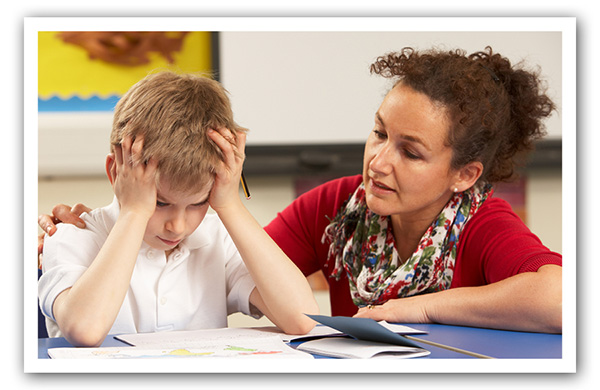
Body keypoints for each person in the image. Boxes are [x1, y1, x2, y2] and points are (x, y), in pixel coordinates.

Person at [39, 46, 562, 334]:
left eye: (411, 151)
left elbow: (566, 300)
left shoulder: (483, 222)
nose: (378, 162)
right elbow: (267, 279)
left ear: (464, 174)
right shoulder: (339, 207)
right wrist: (132, 217)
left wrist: (426, 306)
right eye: (379, 133)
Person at [37, 71, 318, 347]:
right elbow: (85, 330)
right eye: (160, 203)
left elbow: (305, 320)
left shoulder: (218, 240)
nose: (178, 226)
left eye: (198, 203)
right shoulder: (71, 236)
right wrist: (135, 212)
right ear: (116, 172)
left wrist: (230, 204)